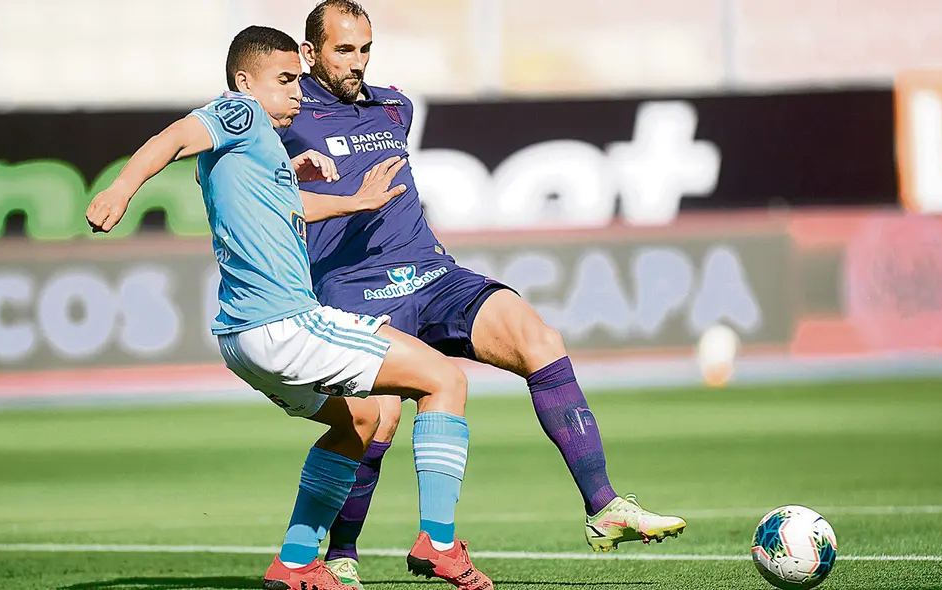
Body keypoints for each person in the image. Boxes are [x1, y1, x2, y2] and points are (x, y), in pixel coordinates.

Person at [280, 2, 687, 587]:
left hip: (431, 274)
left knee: (538, 338)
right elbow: (214, 158)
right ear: (310, 52)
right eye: (345, 50)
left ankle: (604, 507)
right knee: (381, 416)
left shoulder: (393, 106)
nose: (358, 62)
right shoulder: (284, 113)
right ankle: (343, 553)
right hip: (352, 290)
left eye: (366, 48)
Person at [85, 25, 492, 590]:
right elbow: (178, 135)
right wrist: (121, 188)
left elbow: (284, 204)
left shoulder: (257, 150)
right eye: (284, 80)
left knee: (361, 420)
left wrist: (352, 199)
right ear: (243, 81)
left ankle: (297, 560)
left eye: (299, 80)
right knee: (443, 379)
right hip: (284, 325)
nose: (297, 92)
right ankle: (439, 545)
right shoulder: (241, 114)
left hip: (241, 341)